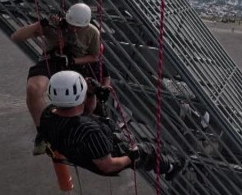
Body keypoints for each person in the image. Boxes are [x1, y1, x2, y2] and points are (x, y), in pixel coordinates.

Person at [37, 71, 183, 179]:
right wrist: (131, 157)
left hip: (81, 148)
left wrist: (91, 94)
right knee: (147, 151)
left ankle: (160, 156)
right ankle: (171, 168)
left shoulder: (48, 114)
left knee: (109, 121)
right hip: (106, 156)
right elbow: (108, 166)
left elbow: (84, 111)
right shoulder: (89, 131)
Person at [11, 3, 103, 149]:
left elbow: (94, 56)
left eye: (79, 28)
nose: (74, 29)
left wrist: (73, 60)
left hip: (75, 64)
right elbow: (16, 37)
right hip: (52, 59)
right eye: (72, 25)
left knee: (85, 98)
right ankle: (43, 133)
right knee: (34, 89)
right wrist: (40, 24)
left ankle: (79, 127)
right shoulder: (53, 26)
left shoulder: (92, 32)